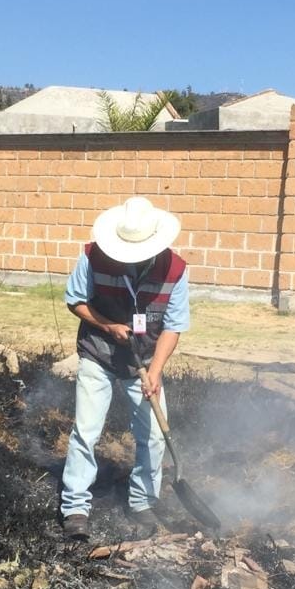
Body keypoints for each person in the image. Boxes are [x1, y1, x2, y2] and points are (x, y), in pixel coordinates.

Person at [59, 196, 190, 540]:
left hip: (144, 360)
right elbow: (75, 300)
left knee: (153, 435)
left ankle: (143, 500)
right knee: (86, 431)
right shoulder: (93, 256)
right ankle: (75, 506)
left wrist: (156, 371)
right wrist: (107, 325)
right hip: (98, 353)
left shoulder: (175, 270)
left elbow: (174, 325)